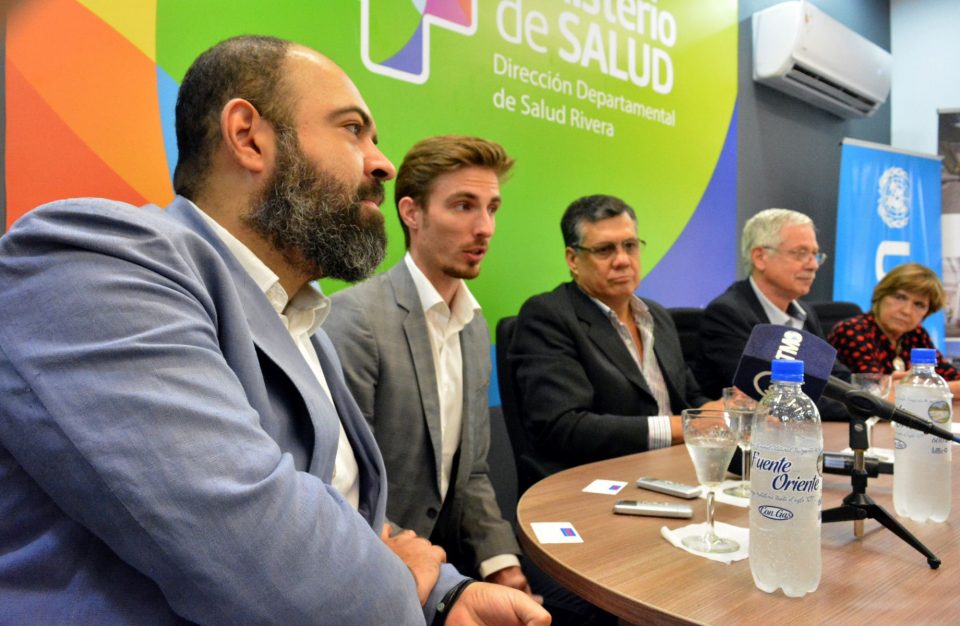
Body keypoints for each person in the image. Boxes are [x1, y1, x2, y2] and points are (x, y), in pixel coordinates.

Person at [0, 35, 549, 626]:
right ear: (248, 137)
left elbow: (345, 513)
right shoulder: (94, 260)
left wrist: (447, 594)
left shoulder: (302, 320)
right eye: (353, 130)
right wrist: (405, 585)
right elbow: (250, 548)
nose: (383, 164)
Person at [325, 135, 530, 592]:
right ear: (411, 213)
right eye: (464, 206)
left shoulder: (474, 325)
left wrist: (502, 564)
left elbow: (473, 474)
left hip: (449, 564)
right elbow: (344, 487)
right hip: (374, 569)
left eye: (492, 208)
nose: (485, 228)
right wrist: (444, 588)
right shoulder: (356, 319)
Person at [508, 194, 715, 480]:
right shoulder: (548, 316)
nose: (623, 260)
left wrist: (718, 411)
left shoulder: (656, 316)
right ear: (573, 259)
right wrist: (685, 427)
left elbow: (688, 396)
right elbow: (563, 427)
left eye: (630, 246)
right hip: (600, 480)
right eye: (605, 250)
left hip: (677, 471)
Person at [693, 208, 850, 420]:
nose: (813, 265)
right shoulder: (727, 314)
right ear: (760, 257)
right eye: (801, 253)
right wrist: (859, 406)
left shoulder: (805, 312)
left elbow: (834, 375)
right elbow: (770, 396)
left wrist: (873, 393)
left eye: (815, 255)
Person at [828, 262, 960, 395]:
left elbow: (954, 378)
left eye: (919, 305)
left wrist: (928, 388)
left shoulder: (916, 334)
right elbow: (876, 392)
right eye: (900, 297)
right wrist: (937, 389)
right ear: (881, 295)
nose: (906, 311)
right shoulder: (852, 331)